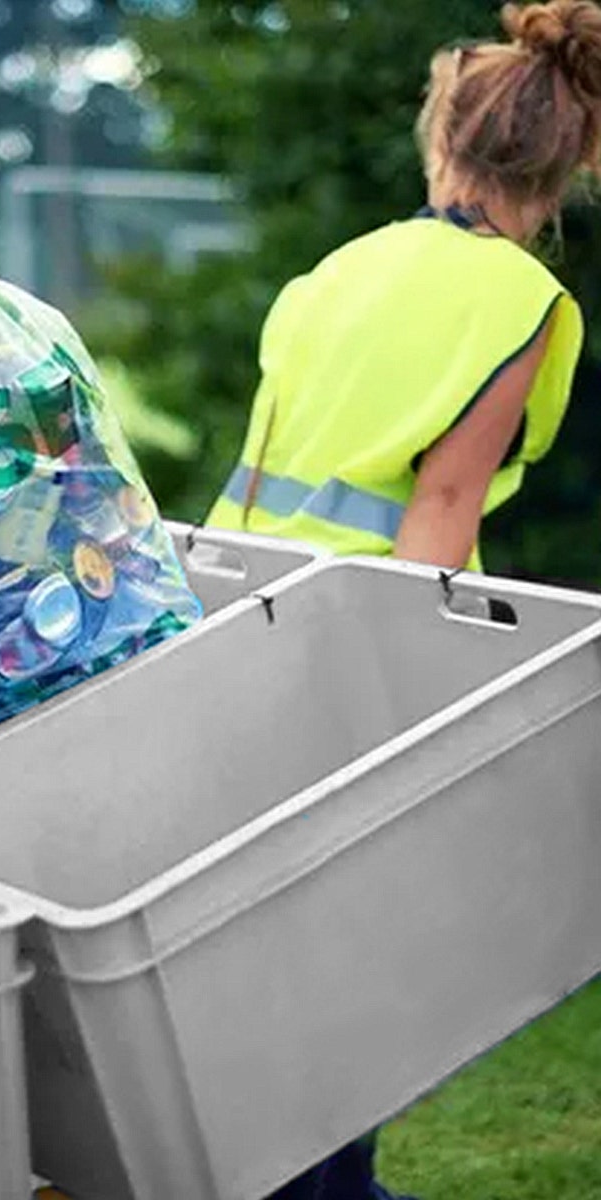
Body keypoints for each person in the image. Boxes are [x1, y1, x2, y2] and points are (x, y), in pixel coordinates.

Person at [205, 1, 601, 1196]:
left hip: (225, 620)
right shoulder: (524, 304)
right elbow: (442, 513)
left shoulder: (335, 270)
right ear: (572, 160)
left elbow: (266, 472)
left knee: (250, 945)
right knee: (353, 954)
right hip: (358, 646)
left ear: (444, 141)